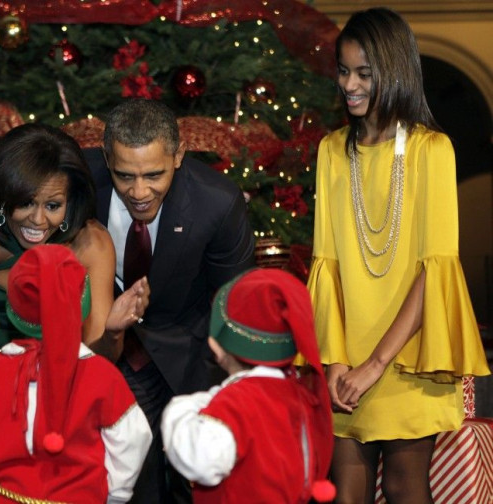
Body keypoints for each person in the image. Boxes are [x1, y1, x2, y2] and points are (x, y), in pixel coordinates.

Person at [309, 8, 490, 503]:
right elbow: (326, 268)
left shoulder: (433, 150)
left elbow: (436, 271)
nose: (349, 84)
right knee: (346, 494)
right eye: (344, 71)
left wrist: (375, 365)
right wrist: (335, 365)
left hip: (410, 358)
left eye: (364, 74)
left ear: (395, 71)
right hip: (346, 359)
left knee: (407, 489)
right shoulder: (330, 151)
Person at [0, 122, 148, 429]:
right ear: (4, 194)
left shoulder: (90, 242)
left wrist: (113, 333)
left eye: (53, 206)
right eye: (25, 202)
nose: (39, 221)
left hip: (54, 375)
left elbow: (98, 360)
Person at [83, 98, 255, 503]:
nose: (139, 192)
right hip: (107, 346)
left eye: (154, 175)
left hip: (189, 346)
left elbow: (235, 301)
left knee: (191, 484)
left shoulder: (217, 202)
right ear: (106, 158)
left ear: (178, 155)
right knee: (127, 481)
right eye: (125, 175)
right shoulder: (80, 181)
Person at [0, 244, 152, 503]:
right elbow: (132, 440)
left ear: (15, 310)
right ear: (81, 307)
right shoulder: (102, 375)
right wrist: (109, 494)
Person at [161, 268, 335, 503]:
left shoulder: (234, 403)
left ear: (217, 346)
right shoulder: (300, 394)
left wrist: (177, 411)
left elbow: (200, 461)